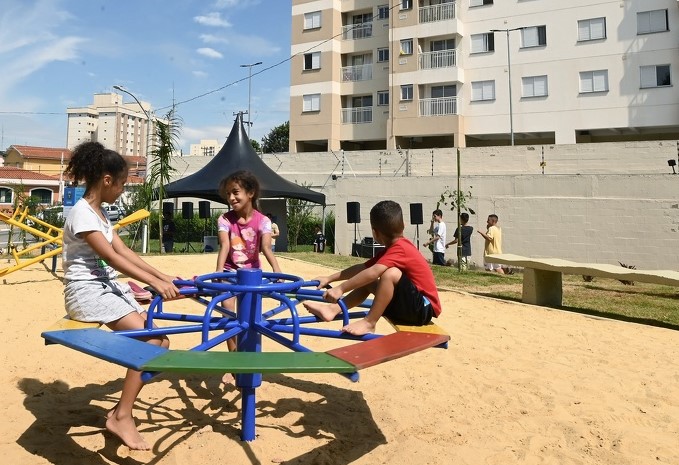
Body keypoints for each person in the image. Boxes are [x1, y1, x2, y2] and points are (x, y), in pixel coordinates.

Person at [62, 141, 179, 450]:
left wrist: (162, 277)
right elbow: (113, 259)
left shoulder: (99, 214)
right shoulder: (82, 213)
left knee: (161, 343)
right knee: (151, 341)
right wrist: (155, 283)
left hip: (106, 288)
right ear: (107, 180)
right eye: (123, 184)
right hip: (86, 291)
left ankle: (120, 410)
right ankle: (121, 416)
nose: (123, 191)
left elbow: (123, 250)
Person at [303, 200, 441, 336]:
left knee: (390, 274)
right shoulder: (392, 250)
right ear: (403, 225)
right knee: (366, 278)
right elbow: (362, 269)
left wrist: (341, 288)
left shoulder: (401, 249)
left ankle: (370, 322)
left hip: (423, 309)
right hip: (409, 306)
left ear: (375, 233)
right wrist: (329, 278)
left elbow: (373, 272)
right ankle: (333, 309)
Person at [215, 170, 282, 378]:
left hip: (251, 274)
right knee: (228, 314)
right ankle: (235, 359)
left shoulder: (263, 221)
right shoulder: (225, 219)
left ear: (250, 192)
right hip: (229, 272)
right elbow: (225, 246)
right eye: (228, 194)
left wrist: (277, 271)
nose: (231, 198)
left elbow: (266, 248)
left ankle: (246, 358)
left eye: (235, 192)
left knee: (249, 319)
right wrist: (218, 273)